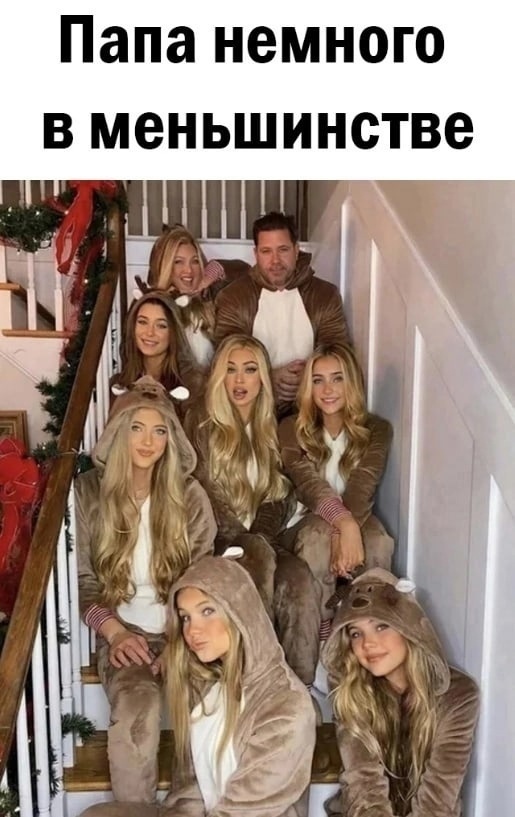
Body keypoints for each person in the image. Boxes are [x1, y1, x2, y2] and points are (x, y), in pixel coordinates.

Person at [78, 556, 316, 817]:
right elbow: (191, 792)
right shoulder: (209, 688)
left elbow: (244, 811)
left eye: (207, 611)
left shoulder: (287, 707)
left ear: (240, 611)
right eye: (185, 617)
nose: (192, 630)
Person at [75, 376, 217, 803]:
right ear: (120, 430)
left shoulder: (189, 495)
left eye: (160, 430)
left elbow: (202, 579)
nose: (148, 441)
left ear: (171, 439)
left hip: (183, 629)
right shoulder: (89, 492)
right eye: (137, 427)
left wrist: (179, 641)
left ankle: (192, 807)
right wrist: (115, 633)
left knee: (207, 706)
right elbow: (83, 582)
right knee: (138, 708)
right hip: (123, 631)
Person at [184, 334, 320, 686]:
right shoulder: (201, 423)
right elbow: (201, 490)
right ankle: (249, 683)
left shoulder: (275, 428)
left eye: (249, 370)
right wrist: (244, 542)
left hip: (265, 538)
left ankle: (298, 689)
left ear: (263, 377)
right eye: (230, 370)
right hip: (218, 543)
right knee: (249, 569)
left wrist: (259, 536)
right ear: (219, 376)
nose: (239, 380)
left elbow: (284, 492)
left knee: (299, 581)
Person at [322, 568, 480, 817]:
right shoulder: (351, 690)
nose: (367, 643)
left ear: (408, 628)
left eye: (381, 626)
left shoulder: (457, 696)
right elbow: (363, 783)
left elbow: (439, 796)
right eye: (355, 633)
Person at [279, 343, 394, 672]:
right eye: (318, 380)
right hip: (303, 519)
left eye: (337, 378)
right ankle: (323, 641)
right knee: (317, 538)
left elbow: (363, 484)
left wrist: (346, 527)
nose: (328, 389)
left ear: (351, 382)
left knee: (379, 541)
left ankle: (373, 638)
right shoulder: (290, 427)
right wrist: (341, 525)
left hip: (358, 514)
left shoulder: (377, 430)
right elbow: (307, 485)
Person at [214, 211, 351, 415]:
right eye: (266, 251)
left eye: (283, 250)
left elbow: (338, 352)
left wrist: (309, 377)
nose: (275, 260)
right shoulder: (233, 297)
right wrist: (268, 377)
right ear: (256, 254)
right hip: (252, 407)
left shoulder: (325, 295)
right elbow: (225, 357)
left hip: (313, 406)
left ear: (296, 250)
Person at [142, 224, 250, 370]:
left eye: (195, 261)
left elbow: (245, 270)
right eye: (178, 262)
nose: (188, 270)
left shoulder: (211, 295)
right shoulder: (154, 306)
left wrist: (210, 273)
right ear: (166, 266)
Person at [111, 290, 202, 412]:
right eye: (142, 322)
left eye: (161, 325)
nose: (150, 332)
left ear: (174, 332)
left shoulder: (192, 384)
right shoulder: (119, 384)